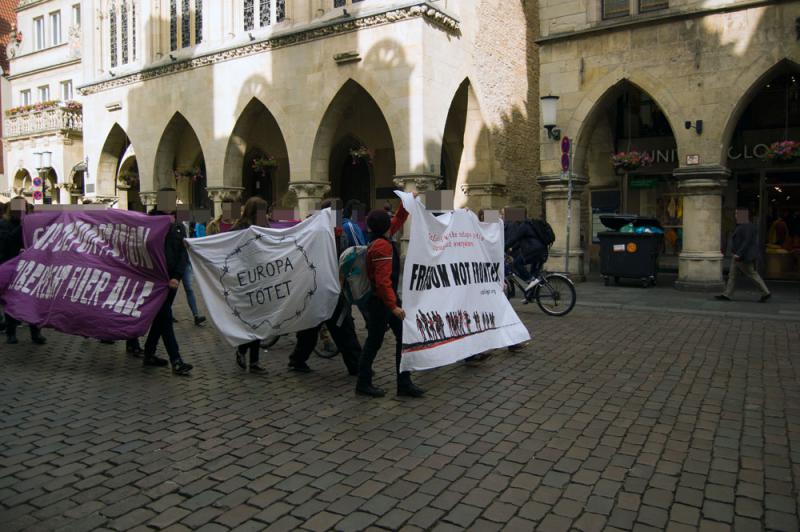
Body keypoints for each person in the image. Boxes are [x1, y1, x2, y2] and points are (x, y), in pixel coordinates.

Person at [356, 200, 424, 398]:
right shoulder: (382, 247)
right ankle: (363, 382)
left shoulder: (381, 236)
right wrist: (394, 307)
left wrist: (406, 201)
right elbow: (383, 282)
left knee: (402, 337)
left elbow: (399, 219)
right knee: (374, 342)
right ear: (385, 226)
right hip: (382, 303)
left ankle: (404, 382)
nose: (392, 222)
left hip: (386, 301)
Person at [288, 198, 361, 375]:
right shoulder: (316, 231)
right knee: (315, 328)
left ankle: (356, 365)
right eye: (338, 212)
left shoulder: (339, 233)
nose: (341, 215)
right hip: (318, 287)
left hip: (335, 287)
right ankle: (298, 359)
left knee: (341, 326)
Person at [142, 189, 193, 375]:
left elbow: (182, 253)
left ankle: (149, 353)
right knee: (164, 318)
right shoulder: (150, 222)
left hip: (171, 281)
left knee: (160, 318)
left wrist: (177, 277)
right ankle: (176, 360)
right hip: (156, 280)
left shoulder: (179, 225)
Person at [0, 198, 47, 345]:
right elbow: (6, 242)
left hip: (30, 269)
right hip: (10, 268)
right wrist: (21, 226)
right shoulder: (3, 224)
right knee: (11, 301)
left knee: (33, 301)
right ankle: (11, 332)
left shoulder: (32, 225)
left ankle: (36, 332)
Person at [231, 197, 270, 373]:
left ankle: (253, 360)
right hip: (245, 278)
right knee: (251, 320)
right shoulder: (240, 227)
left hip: (261, 277)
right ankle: (243, 349)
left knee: (259, 321)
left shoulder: (265, 227)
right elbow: (227, 245)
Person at [716, 208, 771, 303]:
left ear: (742, 215)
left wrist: (739, 253)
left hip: (742, 256)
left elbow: (747, 242)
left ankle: (765, 292)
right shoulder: (743, 226)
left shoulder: (747, 226)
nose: (735, 216)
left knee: (752, 274)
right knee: (732, 275)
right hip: (737, 256)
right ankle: (727, 294)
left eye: (737, 214)